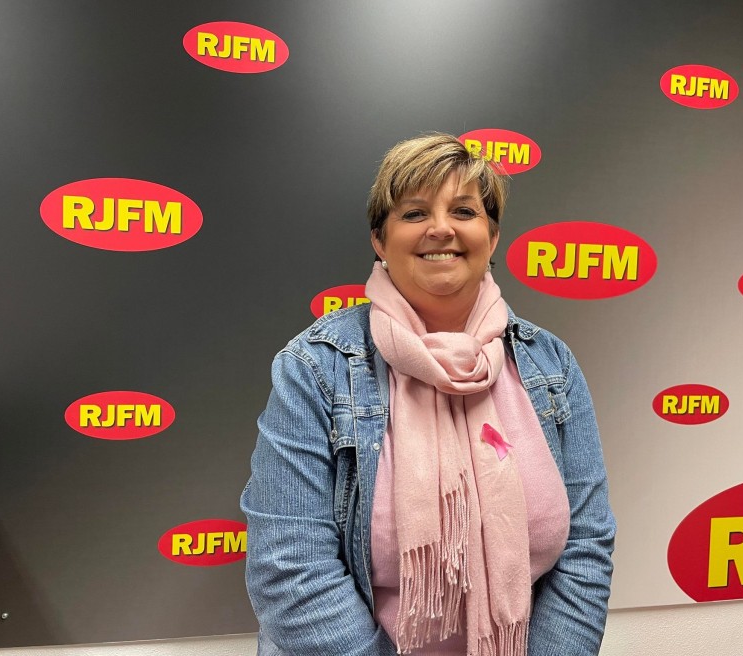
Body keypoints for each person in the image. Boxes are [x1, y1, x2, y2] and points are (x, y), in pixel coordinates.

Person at [241, 133, 615, 656]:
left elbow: (585, 546)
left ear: (492, 236)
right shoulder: (315, 368)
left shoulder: (549, 364)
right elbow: (290, 570)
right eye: (415, 213)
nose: (441, 228)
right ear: (380, 240)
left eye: (463, 210)